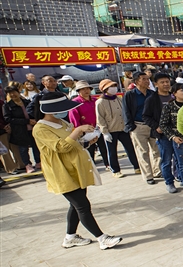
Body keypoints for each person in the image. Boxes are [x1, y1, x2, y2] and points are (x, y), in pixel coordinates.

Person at [32, 91, 122, 250]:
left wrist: (87, 140)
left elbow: (74, 144)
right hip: (62, 173)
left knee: (75, 205)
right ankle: (102, 238)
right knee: (82, 206)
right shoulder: (40, 128)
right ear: (50, 110)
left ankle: (70, 237)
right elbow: (60, 147)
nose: (65, 111)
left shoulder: (63, 122)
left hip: (76, 169)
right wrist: (78, 130)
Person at [95, 79, 140, 178]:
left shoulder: (119, 99)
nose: (114, 88)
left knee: (130, 148)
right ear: (105, 89)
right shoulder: (100, 102)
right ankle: (115, 170)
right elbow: (100, 118)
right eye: (111, 87)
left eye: (114, 86)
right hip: (110, 130)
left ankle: (137, 166)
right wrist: (105, 132)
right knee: (112, 151)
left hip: (123, 128)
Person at [123, 72, 161, 184]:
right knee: (142, 152)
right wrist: (131, 127)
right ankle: (148, 175)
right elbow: (126, 112)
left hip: (153, 125)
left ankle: (157, 171)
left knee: (156, 150)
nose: (147, 81)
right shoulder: (130, 95)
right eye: (143, 79)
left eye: (147, 79)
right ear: (136, 81)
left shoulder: (152, 94)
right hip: (138, 126)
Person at [159, 83, 183, 199]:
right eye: (181, 90)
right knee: (182, 164)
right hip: (179, 139)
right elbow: (163, 125)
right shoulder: (169, 107)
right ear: (174, 93)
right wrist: (173, 137)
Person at [69, 81, 108, 167]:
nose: (86, 91)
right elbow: (74, 119)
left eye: (87, 88)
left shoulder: (95, 100)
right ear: (78, 91)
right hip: (85, 131)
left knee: (104, 147)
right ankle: (91, 166)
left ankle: (108, 164)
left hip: (98, 127)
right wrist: (79, 130)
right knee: (89, 149)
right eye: (83, 89)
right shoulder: (75, 102)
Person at [3, 85, 39, 173]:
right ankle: (28, 165)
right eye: (10, 93)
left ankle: (38, 162)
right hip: (19, 130)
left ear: (18, 92)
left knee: (35, 146)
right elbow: (8, 119)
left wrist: (34, 119)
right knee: (23, 148)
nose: (12, 95)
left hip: (33, 128)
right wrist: (27, 121)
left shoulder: (26, 102)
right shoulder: (7, 106)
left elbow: (34, 111)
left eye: (14, 92)